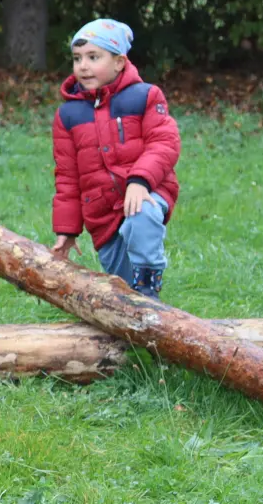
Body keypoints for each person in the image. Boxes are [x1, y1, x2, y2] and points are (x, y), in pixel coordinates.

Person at [50, 19, 180, 298]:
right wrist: (67, 229)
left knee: (141, 215)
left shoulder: (145, 96)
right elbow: (68, 178)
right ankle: (135, 320)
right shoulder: (68, 117)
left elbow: (164, 142)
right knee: (123, 293)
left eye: (93, 57)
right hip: (102, 215)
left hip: (147, 192)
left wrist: (140, 181)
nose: (83, 66)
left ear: (119, 62)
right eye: (77, 58)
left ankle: (150, 286)